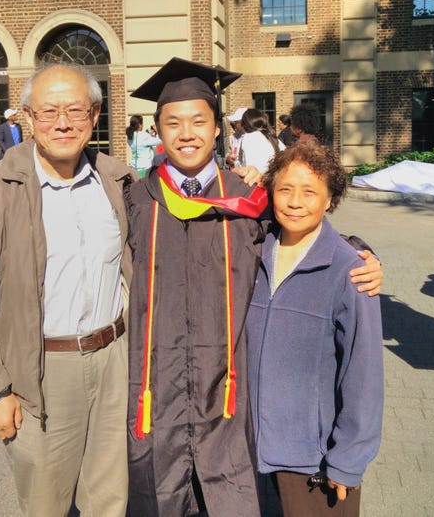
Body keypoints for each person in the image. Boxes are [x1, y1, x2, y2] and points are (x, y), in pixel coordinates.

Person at [126, 57, 383, 517]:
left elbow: (302, 228)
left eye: (199, 121)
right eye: (173, 123)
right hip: (157, 398)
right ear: (158, 131)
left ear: (217, 129)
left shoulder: (247, 202)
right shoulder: (135, 198)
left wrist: (360, 252)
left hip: (229, 405)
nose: (187, 133)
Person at [0, 63, 136, 517]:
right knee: (46, 503)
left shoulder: (117, 181)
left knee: (111, 500)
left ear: (94, 115)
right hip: (43, 370)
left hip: (115, 360)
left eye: (75, 110)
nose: (63, 123)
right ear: (28, 118)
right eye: (49, 111)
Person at [246, 139, 383, 516]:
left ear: (329, 200)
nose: (294, 202)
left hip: (311, 459)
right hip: (245, 450)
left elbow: (364, 373)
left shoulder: (349, 270)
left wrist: (348, 459)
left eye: (310, 192)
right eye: (285, 189)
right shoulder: (251, 251)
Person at [238, 108, 286, 175]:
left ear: (244, 125)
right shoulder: (271, 137)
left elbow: (249, 168)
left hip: (258, 181)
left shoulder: (248, 138)